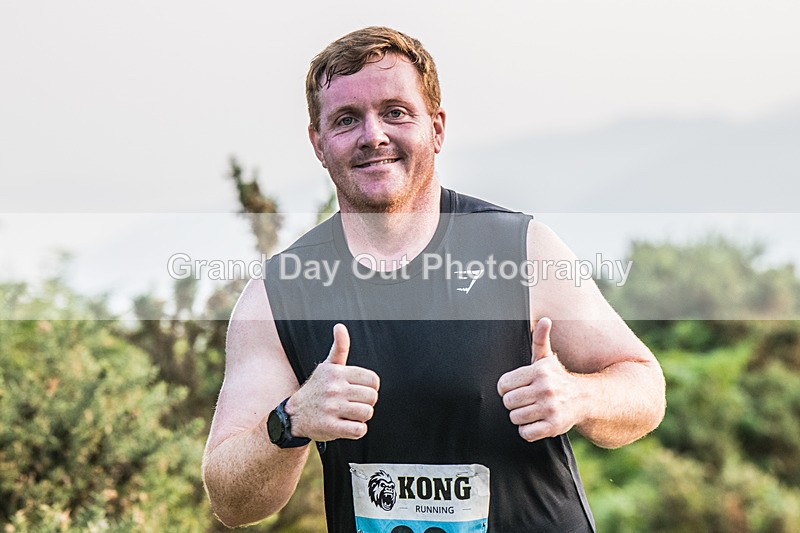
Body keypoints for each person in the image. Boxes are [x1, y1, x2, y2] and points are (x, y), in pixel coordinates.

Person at [202, 26, 666, 532]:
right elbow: (231, 501)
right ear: (318, 143)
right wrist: (290, 419)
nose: (373, 135)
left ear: (437, 128)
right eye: (346, 119)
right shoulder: (279, 295)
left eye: (396, 112)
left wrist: (580, 396)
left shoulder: (521, 249)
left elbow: (644, 385)